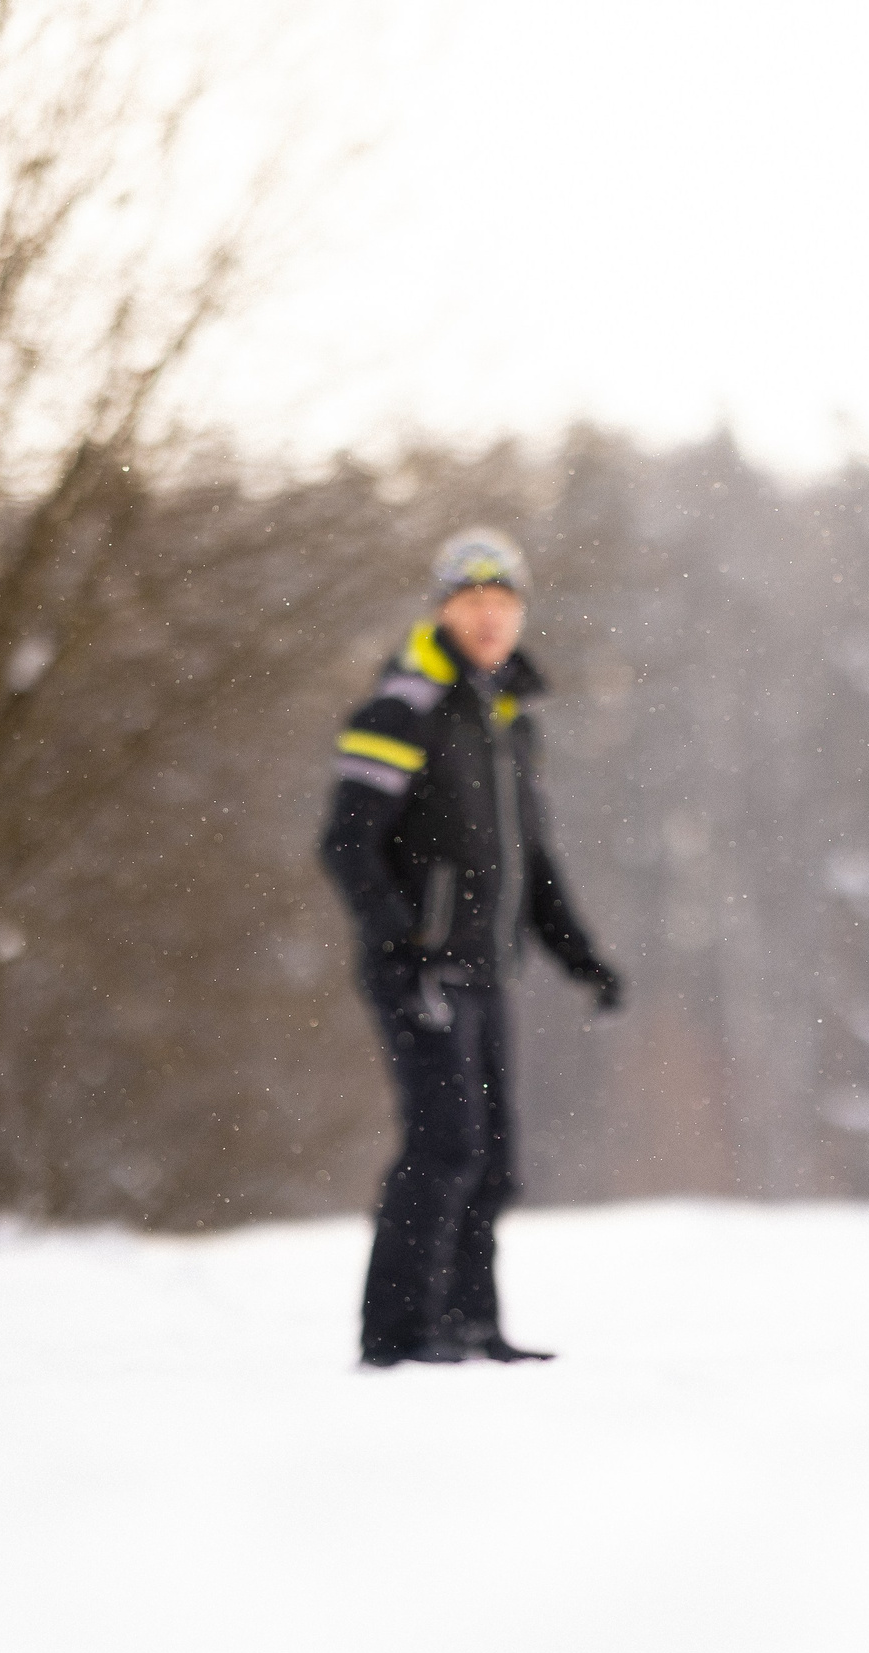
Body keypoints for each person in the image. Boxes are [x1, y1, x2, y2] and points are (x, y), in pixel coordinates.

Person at [320, 528, 625, 1367]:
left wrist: (580, 957)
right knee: (444, 1145)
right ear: (443, 609)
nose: (489, 618)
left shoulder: (505, 721)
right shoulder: (403, 705)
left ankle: (468, 1327)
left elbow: (533, 860)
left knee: (492, 1160)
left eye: (503, 603)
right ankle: (397, 1336)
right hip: (419, 967)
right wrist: (403, 940)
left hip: (487, 971)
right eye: (472, 601)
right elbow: (346, 842)